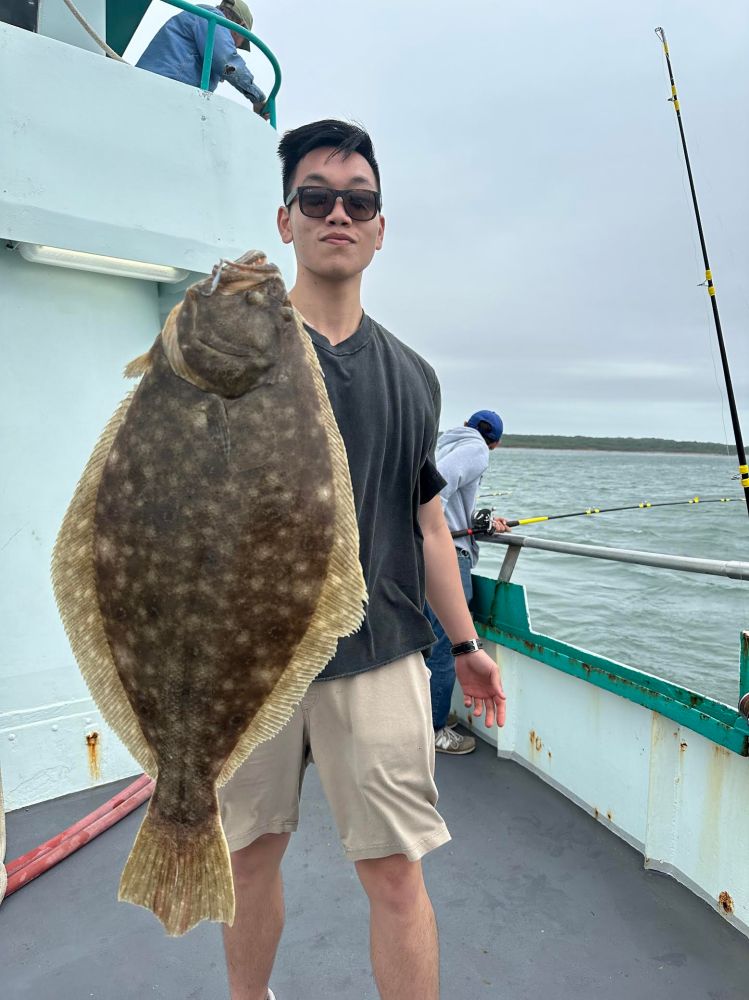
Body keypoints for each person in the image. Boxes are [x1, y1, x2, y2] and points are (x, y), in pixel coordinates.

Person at [218, 120, 506, 1000]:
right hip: (254, 663)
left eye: (358, 201)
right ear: (285, 220)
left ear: (380, 227)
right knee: (248, 856)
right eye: (316, 198)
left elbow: (426, 528)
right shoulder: (229, 350)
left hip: (379, 654)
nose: (337, 213)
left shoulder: (415, 378)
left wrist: (461, 645)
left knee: (394, 874)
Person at [426, 411, 510, 756]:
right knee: (448, 643)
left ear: (465, 424)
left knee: (427, 640)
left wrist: (483, 521)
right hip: (448, 555)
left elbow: (444, 490)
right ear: (497, 443)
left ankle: (423, 717)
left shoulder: (444, 444)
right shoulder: (478, 450)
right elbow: (438, 487)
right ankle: (433, 730)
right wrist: (438, 530)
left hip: (425, 552)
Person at [136, 1, 268, 118]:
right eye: (241, 42)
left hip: (155, 89)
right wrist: (257, 98)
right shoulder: (212, 18)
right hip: (166, 91)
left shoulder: (199, 18)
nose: (236, 47)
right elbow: (226, 62)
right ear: (240, 27)